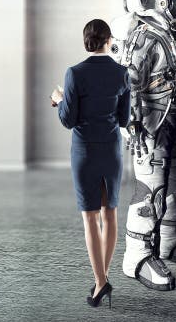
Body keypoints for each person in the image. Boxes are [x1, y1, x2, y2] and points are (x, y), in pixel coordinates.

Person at [109, 0, 176, 292]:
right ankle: (137, 257)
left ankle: (170, 241)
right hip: (151, 124)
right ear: (165, 4)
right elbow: (129, 80)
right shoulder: (148, 35)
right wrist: (131, 124)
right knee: (150, 192)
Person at [52, 18, 131, 308]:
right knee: (110, 212)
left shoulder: (74, 73)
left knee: (89, 217)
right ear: (109, 40)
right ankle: (102, 279)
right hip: (111, 149)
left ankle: (100, 282)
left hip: (84, 151)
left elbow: (68, 120)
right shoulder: (122, 73)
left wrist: (58, 98)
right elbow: (124, 119)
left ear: (86, 41)